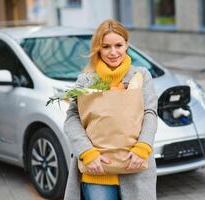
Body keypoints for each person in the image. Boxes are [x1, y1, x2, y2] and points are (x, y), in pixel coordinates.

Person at [63, 19, 158, 200]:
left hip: (134, 164)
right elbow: (72, 119)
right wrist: (87, 153)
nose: (113, 52)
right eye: (106, 47)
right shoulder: (86, 81)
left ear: (126, 45)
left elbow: (150, 113)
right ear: (98, 48)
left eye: (118, 45)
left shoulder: (141, 75)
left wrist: (143, 148)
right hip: (96, 169)